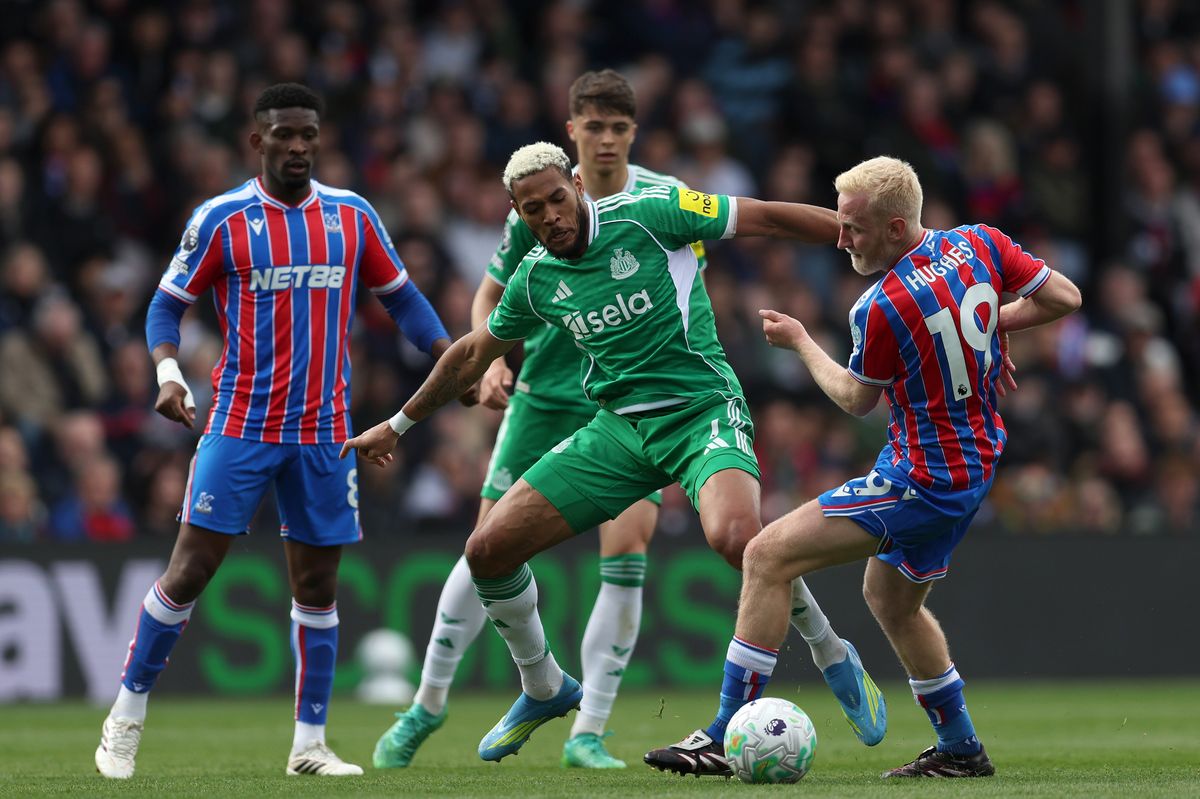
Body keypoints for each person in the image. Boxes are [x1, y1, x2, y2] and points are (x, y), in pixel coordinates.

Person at [343, 141, 888, 775]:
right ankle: (544, 686)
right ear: (518, 215)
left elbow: (764, 216)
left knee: (738, 537)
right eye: (532, 209)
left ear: (576, 184)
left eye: (555, 197)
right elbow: (471, 353)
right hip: (619, 431)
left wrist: (860, 241)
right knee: (486, 550)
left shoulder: (652, 213)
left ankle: (831, 653)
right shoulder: (536, 276)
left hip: (701, 409)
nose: (549, 215)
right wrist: (398, 424)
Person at [647, 156, 1081, 778]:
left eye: (853, 227)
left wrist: (800, 340)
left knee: (766, 556)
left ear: (898, 229)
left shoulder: (881, 306)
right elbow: (1065, 296)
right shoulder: (979, 243)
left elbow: (855, 398)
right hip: (976, 465)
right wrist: (984, 325)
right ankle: (961, 748)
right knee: (890, 600)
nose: (841, 237)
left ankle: (720, 735)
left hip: (920, 477)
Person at [93, 83, 452, 780]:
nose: (298, 147)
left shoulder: (353, 215)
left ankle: (309, 745)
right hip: (240, 422)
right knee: (190, 569)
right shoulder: (223, 219)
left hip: (326, 432)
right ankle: (125, 715)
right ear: (257, 141)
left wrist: (452, 360)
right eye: (284, 135)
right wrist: (169, 372)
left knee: (317, 586)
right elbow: (166, 307)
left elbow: (401, 297)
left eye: (308, 135)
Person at [375, 68, 705, 772]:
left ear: (633, 133)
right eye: (595, 126)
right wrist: (492, 363)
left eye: (620, 127)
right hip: (542, 397)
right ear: (573, 132)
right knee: (485, 544)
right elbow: (489, 298)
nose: (607, 139)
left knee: (627, 551)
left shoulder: (661, 200)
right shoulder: (532, 200)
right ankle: (427, 706)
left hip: (625, 402)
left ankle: (588, 730)